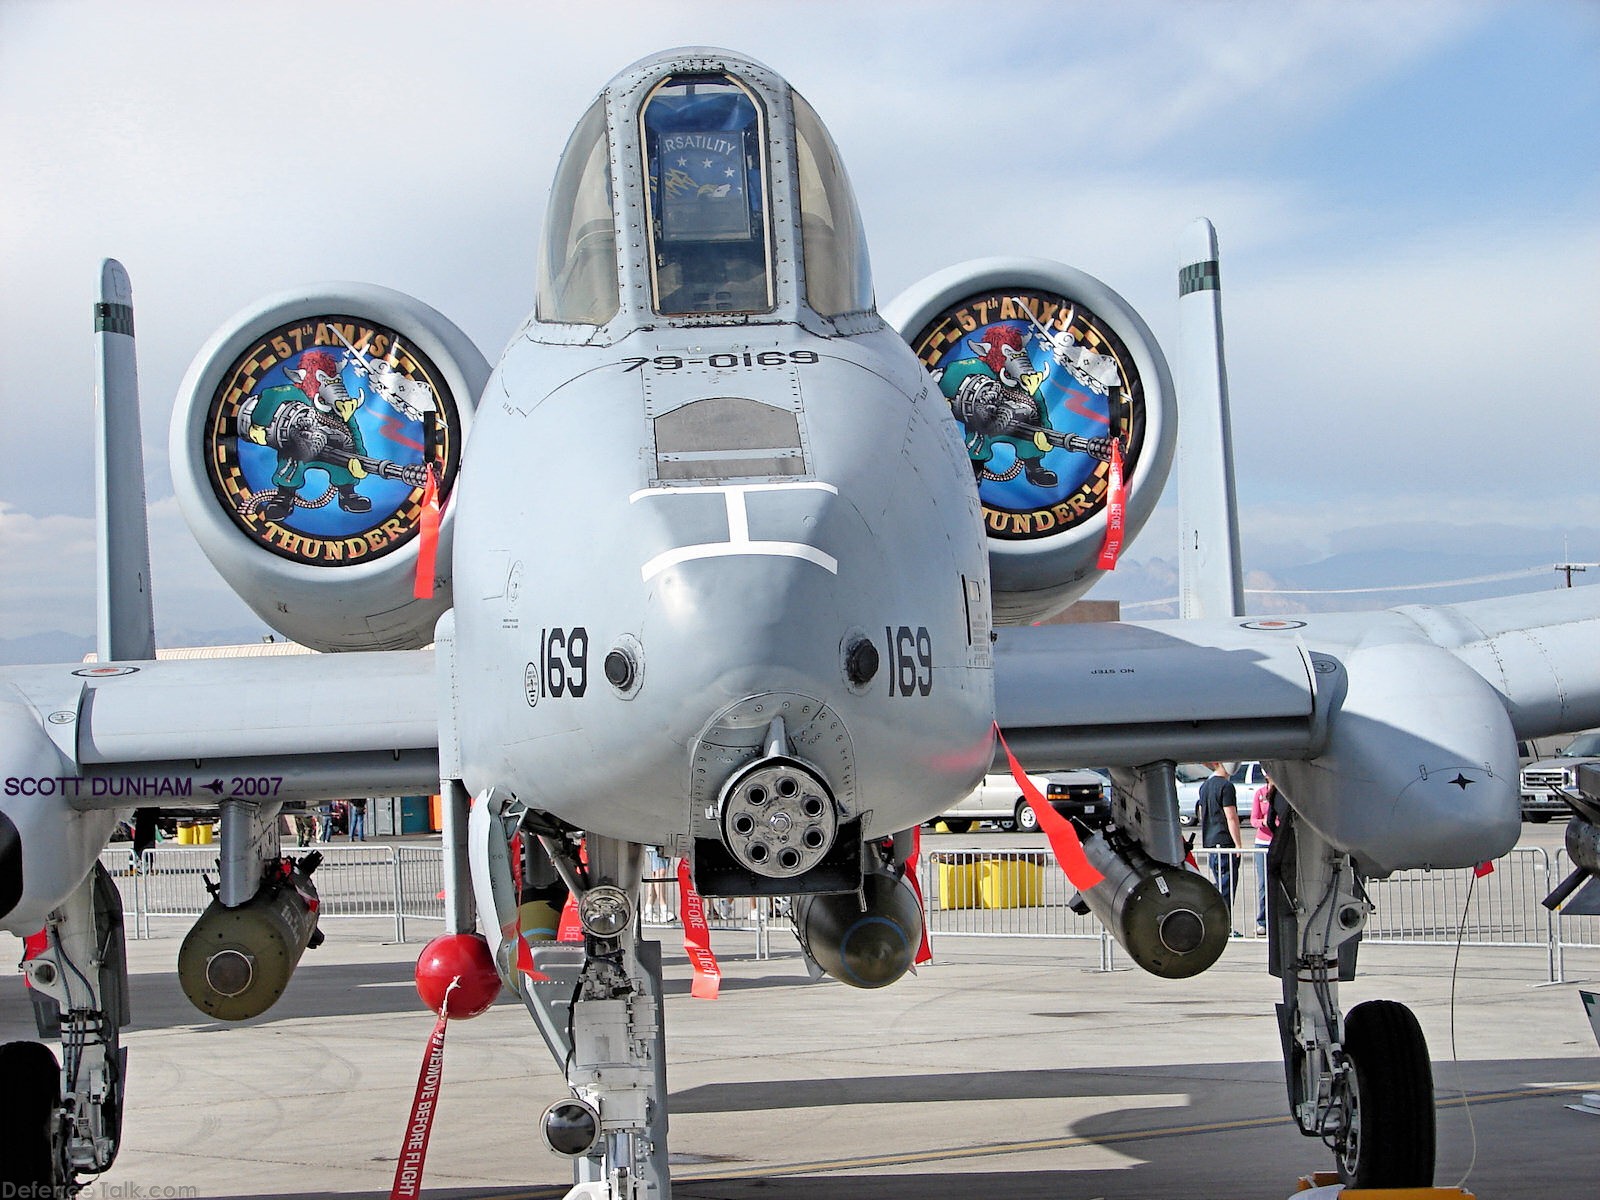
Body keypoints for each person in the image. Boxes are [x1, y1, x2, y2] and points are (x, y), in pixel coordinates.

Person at [1196, 762, 1242, 928]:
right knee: (1227, 888)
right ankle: (1224, 926)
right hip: (1224, 842)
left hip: (1210, 841)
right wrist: (1238, 844)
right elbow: (1231, 816)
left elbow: (1201, 814)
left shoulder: (1205, 786)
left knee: (1219, 885)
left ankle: (1219, 923)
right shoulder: (1226, 786)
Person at [1250, 772, 1278, 936]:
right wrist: (1264, 822)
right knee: (1263, 884)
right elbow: (1253, 819)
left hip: (1278, 841)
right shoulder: (1260, 793)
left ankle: (1279, 917)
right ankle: (1262, 921)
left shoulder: (1282, 793)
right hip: (1263, 842)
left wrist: (1276, 822)